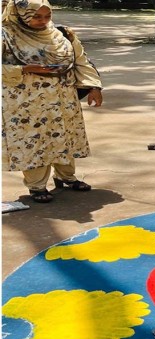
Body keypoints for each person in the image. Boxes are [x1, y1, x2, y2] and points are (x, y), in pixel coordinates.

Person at [2, 0, 103, 203]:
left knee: (65, 135)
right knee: (34, 140)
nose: (43, 21)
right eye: (36, 17)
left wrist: (94, 87)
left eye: (47, 16)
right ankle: (37, 186)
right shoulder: (6, 35)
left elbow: (81, 60)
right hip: (25, 103)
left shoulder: (61, 34)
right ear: (21, 14)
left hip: (63, 98)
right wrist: (26, 69)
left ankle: (66, 177)